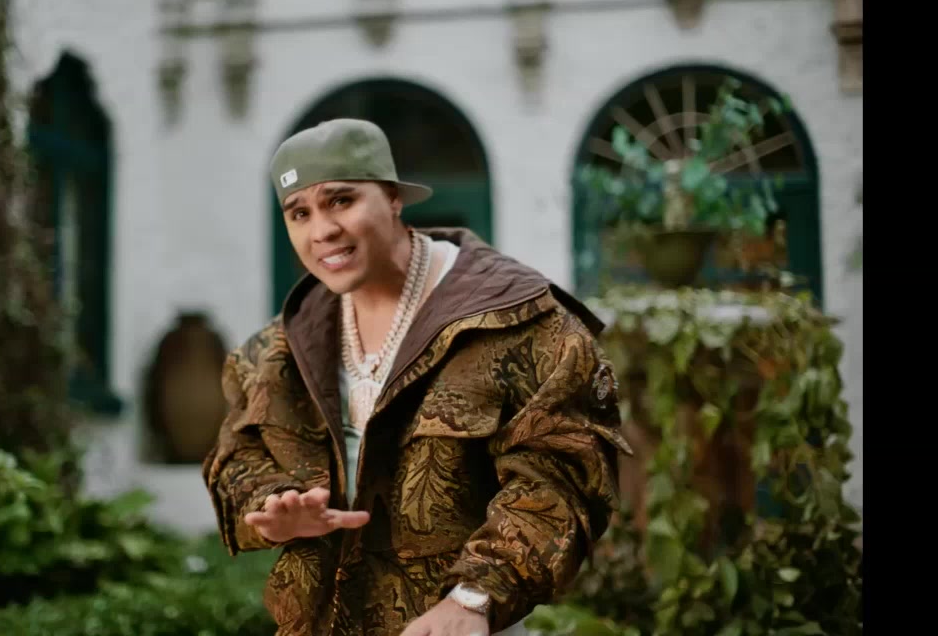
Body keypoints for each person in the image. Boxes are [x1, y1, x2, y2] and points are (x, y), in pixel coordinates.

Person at [202, 118, 632, 636]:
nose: (322, 231)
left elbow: (563, 475)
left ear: (393, 198)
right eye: (300, 212)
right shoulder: (277, 350)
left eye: (341, 200)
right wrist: (273, 504)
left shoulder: (519, 320)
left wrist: (474, 597)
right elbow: (238, 453)